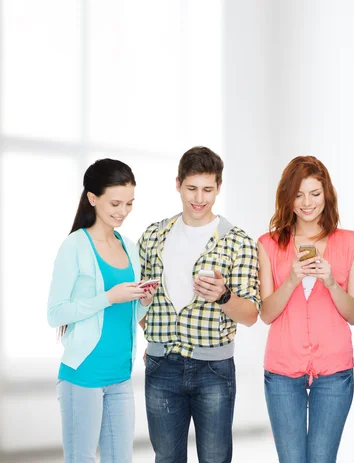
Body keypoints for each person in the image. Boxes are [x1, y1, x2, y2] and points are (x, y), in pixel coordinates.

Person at [138, 146, 260, 463]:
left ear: (219, 187)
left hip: (213, 370)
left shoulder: (238, 241)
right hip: (162, 365)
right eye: (192, 188)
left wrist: (223, 296)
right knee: (166, 458)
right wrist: (153, 335)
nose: (199, 198)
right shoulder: (153, 236)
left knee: (216, 459)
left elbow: (251, 315)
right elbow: (140, 302)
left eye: (208, 189)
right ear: (178, 183)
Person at [258, 156, 354, 462]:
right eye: (298, 194)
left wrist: (331, 282)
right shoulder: (268, 244)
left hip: (334, 371)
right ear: (287, 197)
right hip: (281, 370)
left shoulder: (352, 243)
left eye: (315, 193)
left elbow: (353, 314)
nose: (307, 203)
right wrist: (292, 279)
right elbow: (267, 314)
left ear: (326, 195)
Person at [47, 159, 154, 463]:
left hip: (120, 374)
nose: (123, 211)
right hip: (83, 374)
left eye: (130, 203)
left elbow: (125, 316)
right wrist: (107, 297)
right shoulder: (75, 246)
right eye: (116, 203)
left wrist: (143, 299)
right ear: (93, 199)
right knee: (81, 458)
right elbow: (55, 313)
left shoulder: (130, 247)